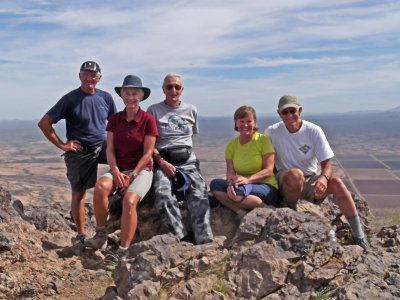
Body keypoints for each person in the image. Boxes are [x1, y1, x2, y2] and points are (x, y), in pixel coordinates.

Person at [265, 95, 370, 249]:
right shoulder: (272, 132)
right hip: (286, 179)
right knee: (295, 175)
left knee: (338, 184)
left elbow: (327, 164)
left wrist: (324, 178)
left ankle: (359, 235)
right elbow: (265, 159)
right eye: (285, 112)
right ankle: (292, 212)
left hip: (309, 180)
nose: (289, 115)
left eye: (292, 111)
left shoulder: (313, 130)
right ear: (279, 114)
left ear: (299, 110)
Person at [38, 61, 117, 245]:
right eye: (86, 74)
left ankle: (111, 226)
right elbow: (44, 123)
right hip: (81, 152)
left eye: (93, 75)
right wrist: (63, 145)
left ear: (99, 78)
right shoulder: (70, 99)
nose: (89, 78)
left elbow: (115, 124)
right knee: (79, 194)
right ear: (79, 76)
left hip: (104, 146)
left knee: (125, 171)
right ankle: (81, 235)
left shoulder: (106, 97)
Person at [84, 75, 158, 253]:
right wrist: (116, 172)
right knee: (101, 187)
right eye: (127, 93)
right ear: (122, 95)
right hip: (119, 168)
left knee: (129, 200)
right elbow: (109, 149)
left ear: (141, 96)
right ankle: (101, 235)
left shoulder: (148, 120)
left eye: (134, 93)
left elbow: (148, 153)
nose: (130, 97)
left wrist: (132, 176)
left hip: (141, 171)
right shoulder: (115, 120)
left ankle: (124, 250)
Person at [147, 73, 213, 245]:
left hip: (187, 160)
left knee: (199, 194)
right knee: (162, 195)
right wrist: (161, 162)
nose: (173, 90)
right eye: (169, 87)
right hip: (163, 160)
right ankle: (182, 237)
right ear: (163, 89)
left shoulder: (191, 110)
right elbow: (149, 144)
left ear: (182, 90)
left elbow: (190, 138)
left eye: (177, 87)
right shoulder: (153, 110)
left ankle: (204, 239)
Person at [209, 106, 279, 219]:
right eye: (241, 121)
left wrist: (248, 180)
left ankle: (264, 208)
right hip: (242, 186)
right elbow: (230, 173)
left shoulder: (263, 140)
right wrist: (230, 184)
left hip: (266, 187)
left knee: (238, 192)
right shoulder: (231, 146)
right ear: (236, 123)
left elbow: (269, 171)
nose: (245, 125)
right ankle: (240, 211)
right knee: (215, 184)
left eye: (249, 121)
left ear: (254, 122)